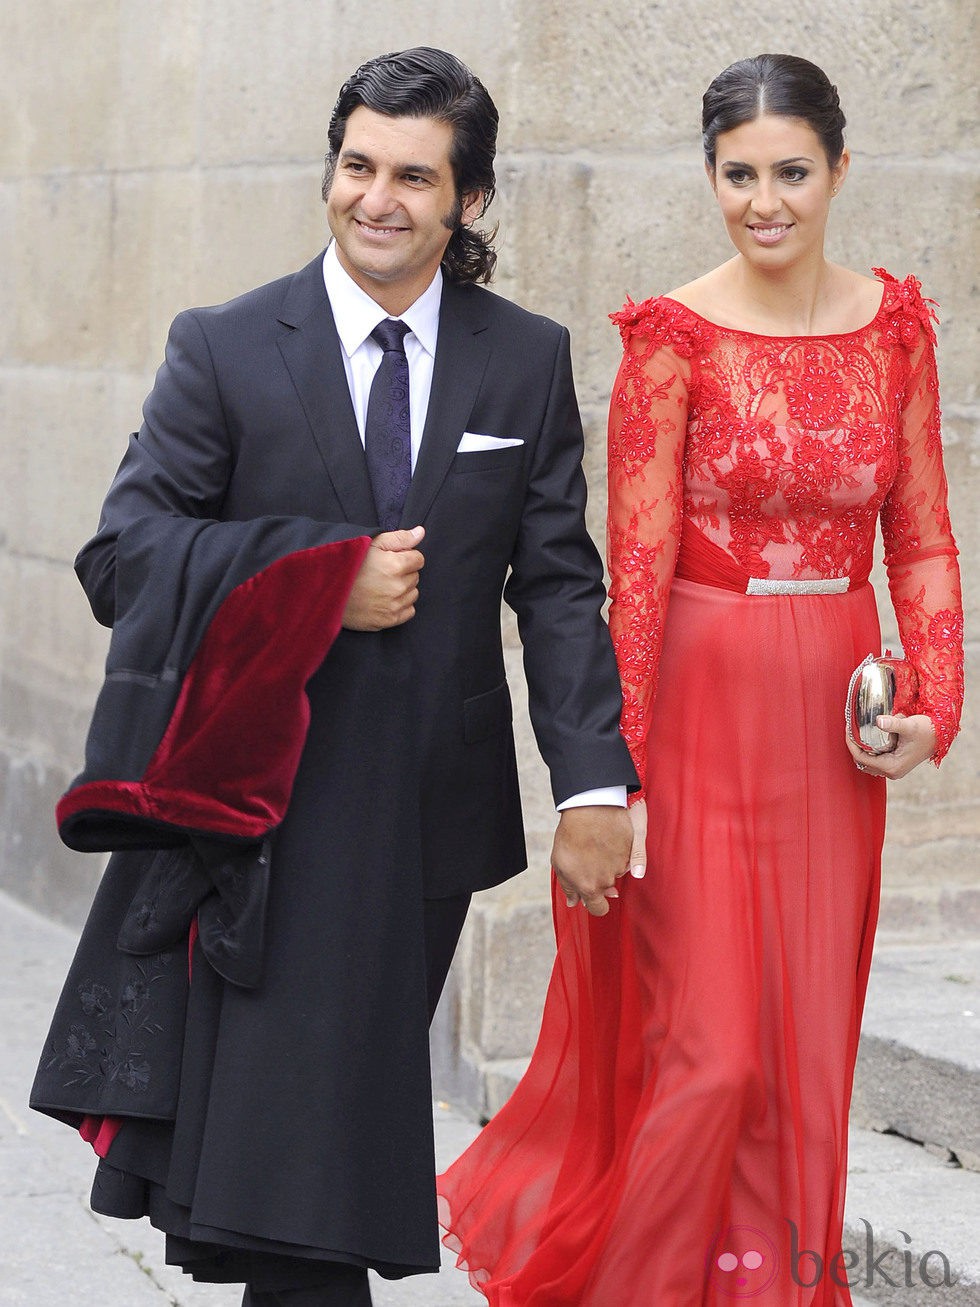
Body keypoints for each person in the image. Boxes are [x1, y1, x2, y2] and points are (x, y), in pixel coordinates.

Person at [30, 46, 637, 1307]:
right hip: (260, 810)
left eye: (415, 176)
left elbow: (559, 584)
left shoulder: (523, 357)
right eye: (358, 165)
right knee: (298, 1150)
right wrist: (322, 580)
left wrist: (591, 782)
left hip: (423, 811)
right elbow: (118, 556)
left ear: (465, 201)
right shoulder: (228, 344)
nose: (378, 197)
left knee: (319, 1125)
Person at [437, 53, 964, 1305]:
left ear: (839, 169)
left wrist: (931, 699)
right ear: (708, 175)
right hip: (694, 706)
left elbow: (925, 536)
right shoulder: (669, 342)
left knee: (797, 1060)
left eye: (790, 172)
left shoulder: (893, 328)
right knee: (714, 1053)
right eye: (738, 174)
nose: (763, 199)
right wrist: (611, 780)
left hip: (830, 728)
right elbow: (634, 571)